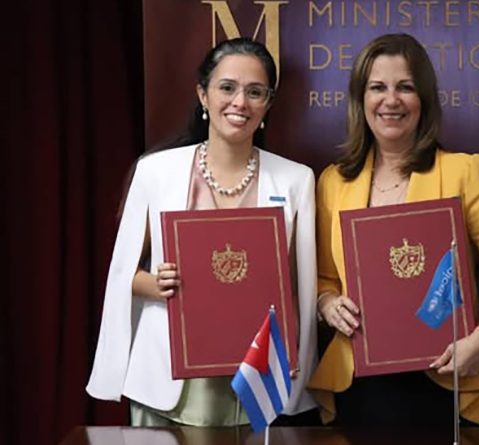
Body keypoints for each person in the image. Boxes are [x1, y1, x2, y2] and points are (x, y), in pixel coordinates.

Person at [86, 37, 318, 426]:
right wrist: (157, 284)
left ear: (268, 104)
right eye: (227, 87)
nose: (240, 102)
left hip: (254, 376)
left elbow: (297, 287)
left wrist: (295, 356)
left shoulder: (296, 180)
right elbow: (123, 274)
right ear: (203, 95)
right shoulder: (155, 171)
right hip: (166, 378)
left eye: (255, 92)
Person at [307, 33, 479, 427]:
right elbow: (324, 279)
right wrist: (327, 304)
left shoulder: (465, 171)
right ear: (361, 99)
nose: (390, 100)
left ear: (424, 99)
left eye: (405, 87)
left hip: (447, 375)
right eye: (377, 87)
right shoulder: (333, 182)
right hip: (358, 380)